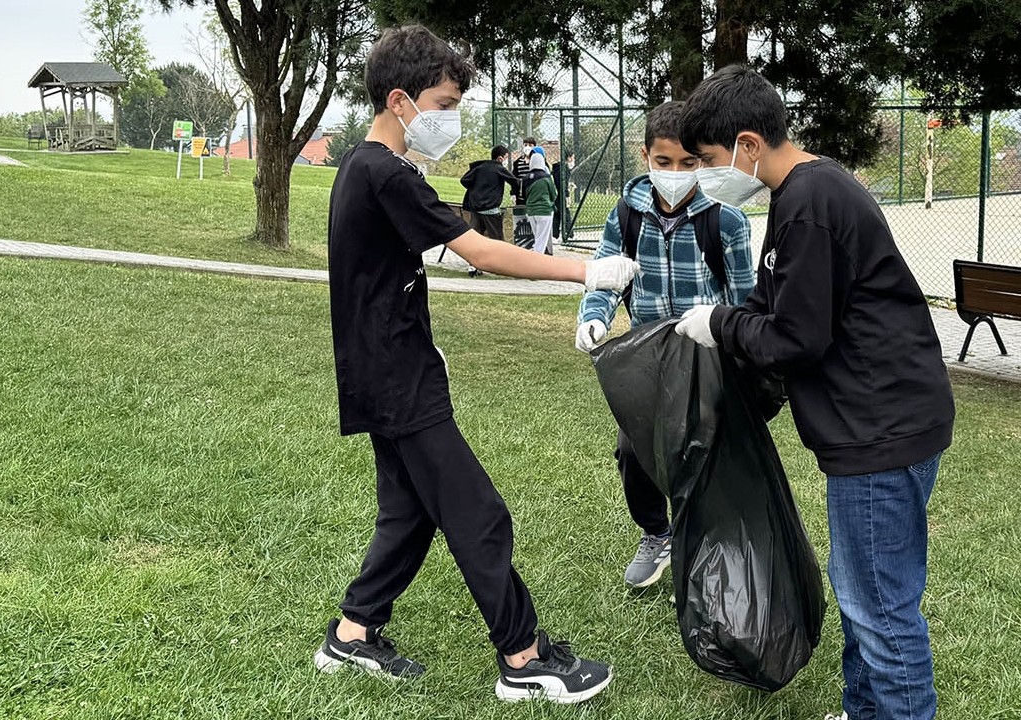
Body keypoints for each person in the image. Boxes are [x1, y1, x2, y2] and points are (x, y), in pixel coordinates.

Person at [319, 24, 638, 704]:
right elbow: (482, 252)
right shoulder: (385, 172)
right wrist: (588, 270)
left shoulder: (361, 166)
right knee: (478, 512)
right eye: (443, 104)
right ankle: (525, 659)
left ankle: (352, 633)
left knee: (410, 510)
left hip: (384, 369)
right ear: (400, 100)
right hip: (398, 378)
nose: (450, 118)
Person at [673, 65, 955, 720]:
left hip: (880, 430)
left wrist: (720, 324)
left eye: (708, 161)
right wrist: (724, 331)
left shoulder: (810, 202)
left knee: (881, 607)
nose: (705, 176)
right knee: (863, 592)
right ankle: (865, 710)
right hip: (874, 424)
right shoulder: (800, 194)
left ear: (747, 145)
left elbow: (795, 338)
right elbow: (772, 302)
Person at [574, 100, 755, 588]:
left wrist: (742, 353)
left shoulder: (727, 220)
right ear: (645, 156)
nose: (675, 174)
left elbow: (745, 299)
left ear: (703, 160)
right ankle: (657, 533)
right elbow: (605, 278)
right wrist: (593, 318)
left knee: (705, 455)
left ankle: (708, 546)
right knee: (635, 451)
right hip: (646, 355)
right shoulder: (625, 216)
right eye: (664, 162)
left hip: (707, 357)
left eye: (688, 162)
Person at [460, 145, 518, 242]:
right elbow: (514, 181)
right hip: (491, 210)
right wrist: (514, 193)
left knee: (474, 238)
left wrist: (475, 189)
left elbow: (464, 180)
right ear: (500, 158)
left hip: (476, 208)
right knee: (497, 238)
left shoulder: (480, 167)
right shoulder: (498, 168)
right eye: (506, 158)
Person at [523, 151, 557, 254]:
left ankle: (537, 255)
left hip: (531, 211)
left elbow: (524, 195)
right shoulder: (546, 177)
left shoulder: (526, 178)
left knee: (537, 237)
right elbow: (554, 194)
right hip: (545, 211)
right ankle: (537, 259)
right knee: (541, 240)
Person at [512, 137, 537, 203]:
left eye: (530, 145)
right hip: (521, 196)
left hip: (535, 195)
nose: (527, 147)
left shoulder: (539, 161)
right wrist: (513, 193)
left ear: (534, 147)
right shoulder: (517, 162)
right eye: (525, 145)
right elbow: (514, 179)